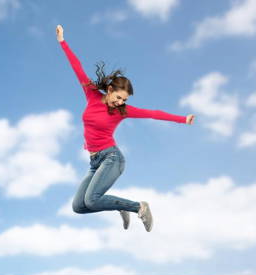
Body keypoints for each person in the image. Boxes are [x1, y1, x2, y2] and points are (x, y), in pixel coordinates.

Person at [56, 25, 195, 232]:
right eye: (118, 97)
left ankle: (138, 207)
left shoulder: (123, 111)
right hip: (95, 162)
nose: (120, 102)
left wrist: (182, 119)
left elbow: (153, 113)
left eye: (124, 100)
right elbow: (77, 67)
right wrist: (62, 42)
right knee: (79, 206)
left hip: (112, 158)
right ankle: (116, 206)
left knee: (92, 200)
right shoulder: (92, 95)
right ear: (110, 90)